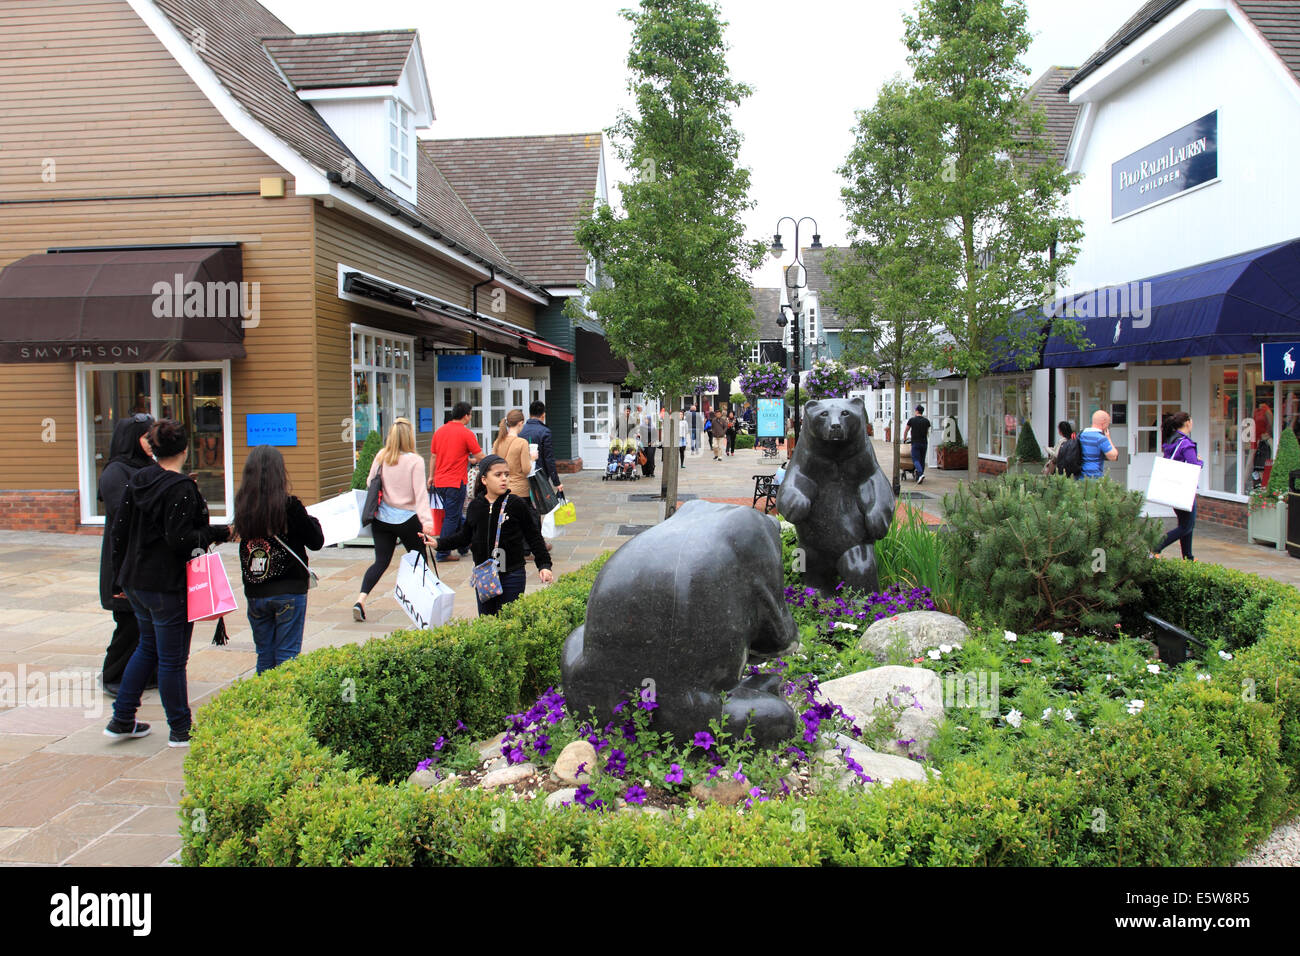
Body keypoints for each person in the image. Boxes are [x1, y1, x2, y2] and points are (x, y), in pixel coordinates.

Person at [106, 419, 231, 747]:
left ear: (154, 448)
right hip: (165, 586)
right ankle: (180, 729)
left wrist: (119, 576)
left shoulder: (139, 480)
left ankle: (122, 719)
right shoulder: (181, 488)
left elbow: (118, 531)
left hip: (136, 582)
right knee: (172, 659)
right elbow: (181, 539)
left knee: (147, 647)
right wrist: (221, 533)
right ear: (185, 449)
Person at [232, 446, 324, 673]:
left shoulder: (243, 505)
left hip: (255, 591)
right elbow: (316, 541)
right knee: (287, 657)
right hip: (288, 590)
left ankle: (265, 704)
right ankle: (284, 705)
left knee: (265, 655)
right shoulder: (290, 505)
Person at [432, 454, 554, 616]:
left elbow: (534, 537)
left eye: (506, 474)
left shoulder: (515, 504)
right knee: (487, 621)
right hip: (484, 574)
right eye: (498, 475)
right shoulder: (476, 506)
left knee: (508, 620)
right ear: (484, 480)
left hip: (512, 573)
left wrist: (544, 565)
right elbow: (465, 536)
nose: (504, 479)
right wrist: (438, 544)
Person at [97, 413, 158, 697]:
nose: (151, 442)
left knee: (148, 622)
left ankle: (147, 673)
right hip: (122, 560)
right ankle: (114, 673)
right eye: (147, 437)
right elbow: (124, 514)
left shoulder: (149, 466)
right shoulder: (115, 472)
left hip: (145, 559)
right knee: (129, 623)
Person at [354, 418, 434, 622]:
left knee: (380, 561)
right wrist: (427, 522)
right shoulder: (415, 461)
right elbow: (420, 493)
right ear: (409, 437)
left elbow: (370, 482)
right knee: (419, 561)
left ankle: (361, 600)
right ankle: (422, 604)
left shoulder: (382, 456)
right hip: (407, 518)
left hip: (382, 519)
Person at [429, 401, 483, 563]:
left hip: (439, 482)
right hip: (456, 481)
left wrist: (430, 477)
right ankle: (442, 552)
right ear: (466, 415)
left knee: (455, 515)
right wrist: (496, 462)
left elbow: (433, 456)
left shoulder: (439, 431)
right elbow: (479, 455)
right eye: (471, 414)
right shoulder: (466, 433)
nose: (470, 417)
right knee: (452, 518)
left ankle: (463, 545)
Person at [1156, 412, 1202, 560]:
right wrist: (1200, 461)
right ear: (1187, 423)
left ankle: (1188, 557)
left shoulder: (1171, 441)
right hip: (1184, 489)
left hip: (1173, 488)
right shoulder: (1186, 443)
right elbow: (1194, 465)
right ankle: (1157, 545)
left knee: (1185, 524)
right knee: (1187, 526)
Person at [520, 400, 563, 499]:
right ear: (543, 415)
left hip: (522, 474)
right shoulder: (545, 431)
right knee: (538, 506)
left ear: (530, 414)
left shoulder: (521, 430)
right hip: (539, 475)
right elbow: (549, 459)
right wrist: (556, 482)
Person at [1077, 409, 1119, 478]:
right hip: (1093, 476)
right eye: (1108, 424)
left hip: (1079, 475)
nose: (1107, 426)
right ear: (1104, 423)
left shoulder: (1081, 434)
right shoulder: (1101, 439)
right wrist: (1108, 438)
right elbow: (1113, 456)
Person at [902, 405, 932, 484]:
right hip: (924, 443)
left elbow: (906, 431)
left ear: (916, 411)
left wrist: (905, 439)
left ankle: (920, 473)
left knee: (915, 459)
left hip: (915, 443)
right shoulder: (927, 421)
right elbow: (927, 432)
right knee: (922, 460)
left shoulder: (912, 420)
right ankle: (919, 477)